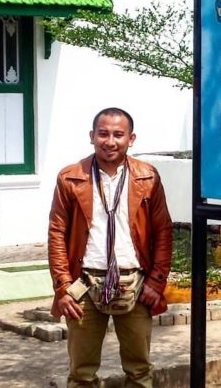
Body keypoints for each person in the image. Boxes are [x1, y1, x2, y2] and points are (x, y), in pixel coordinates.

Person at [48, 106, 173, 388]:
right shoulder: (71, 177)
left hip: (136, 284)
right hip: (84, 284)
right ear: (92, 136)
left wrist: (156, 282)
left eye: (118, 134)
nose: (110, 141)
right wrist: (62, 287)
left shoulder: (147, 177)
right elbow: (57, 233)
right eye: (103, 133)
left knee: (140, 372)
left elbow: (163, 232)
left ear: (132, 138)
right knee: (81, 374)